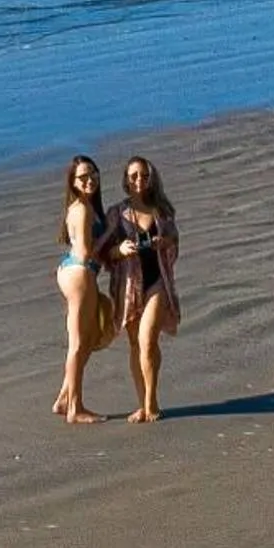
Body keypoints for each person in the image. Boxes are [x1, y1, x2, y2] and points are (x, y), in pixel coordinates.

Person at [106, 155, 179, 424]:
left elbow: (175, 240)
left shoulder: (162, 210)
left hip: (158, 282)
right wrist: (120, 249)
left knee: (148, 340)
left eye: (144, 175)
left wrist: (164, 241)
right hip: (128, 286)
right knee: (137, 345)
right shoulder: (117, 213)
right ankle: (142, 402)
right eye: (134, 175)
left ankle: (151, 403)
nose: (139, 180)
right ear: (126, 179)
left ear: (151, 179)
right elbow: (103, 253)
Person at [53, 155, 109, 424]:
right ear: (73, 182)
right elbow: (87, 251)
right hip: (80, 273)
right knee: (77, 344)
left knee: (84, 341)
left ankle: (65, 397)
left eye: (93, 174)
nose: (90, 180)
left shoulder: (80, 206)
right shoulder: (84, 209)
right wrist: (112, 242)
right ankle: (75, 409)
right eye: (83, 177)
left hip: (70, 269)